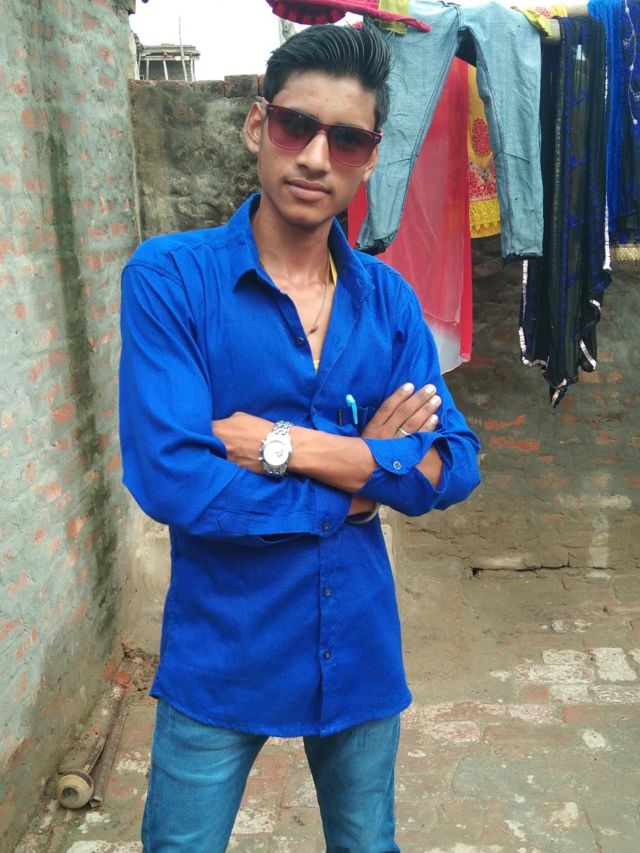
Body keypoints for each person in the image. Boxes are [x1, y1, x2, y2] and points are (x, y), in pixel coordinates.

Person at [119, 22, 480, 853]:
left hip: (356, 648)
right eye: (296, 126)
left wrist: (288, 445)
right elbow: (175, 477)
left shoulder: (387, 301)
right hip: (224, 651)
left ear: (370, 158)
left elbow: (453, 462)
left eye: (346, 139)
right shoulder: (171, 280)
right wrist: (366, 481)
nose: (316, 157)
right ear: (258, 125)